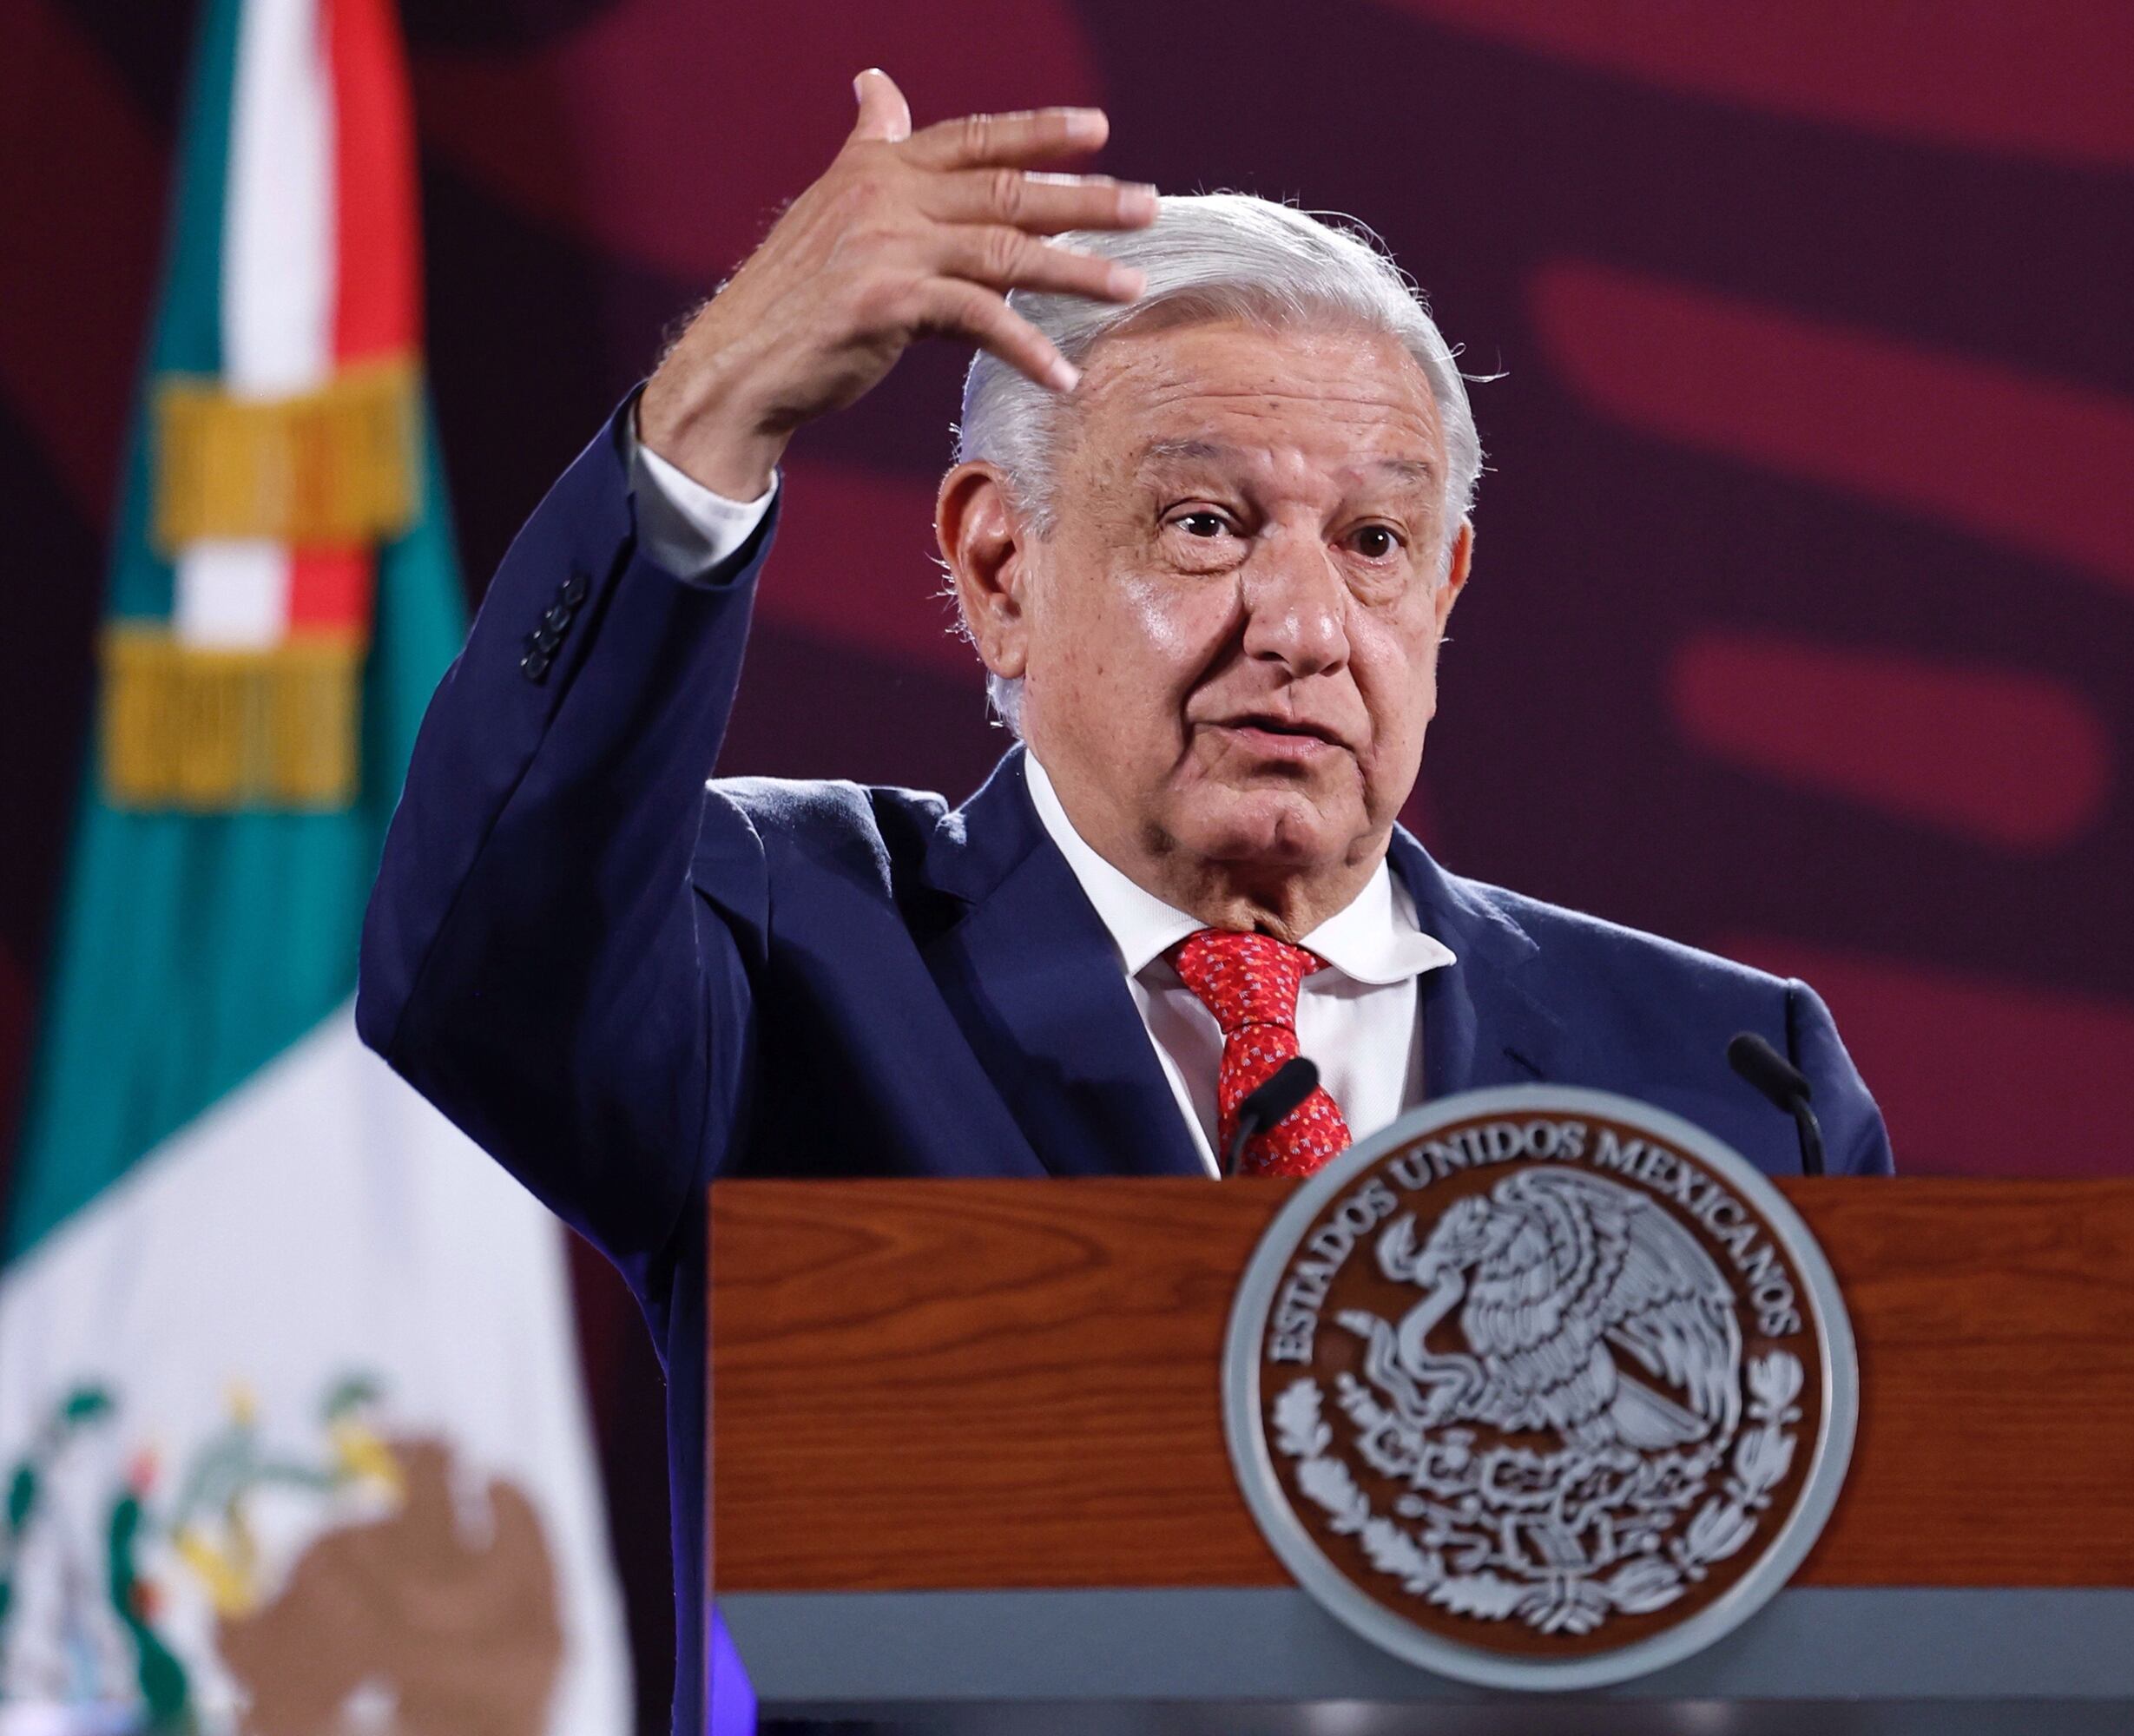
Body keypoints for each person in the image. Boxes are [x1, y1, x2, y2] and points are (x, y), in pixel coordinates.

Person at [358, 69, 1891, 1736]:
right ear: (998, 570)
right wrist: (713, 415)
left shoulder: (1727, 1079)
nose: (1303, 625)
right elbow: (479, 959)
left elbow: (1878, 1652)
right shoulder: (788, 962)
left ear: (1445, 587)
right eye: (1207, 524)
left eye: (1374, 541)